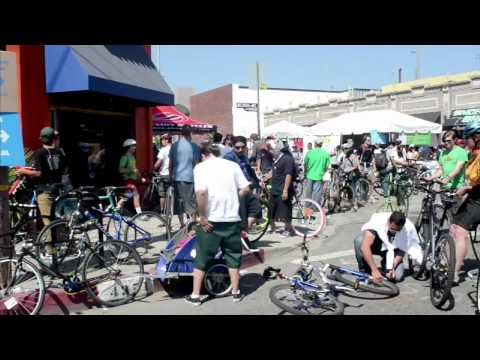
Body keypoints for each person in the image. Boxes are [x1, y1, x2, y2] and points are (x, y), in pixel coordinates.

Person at [185, 142, 251, 305]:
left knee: (202, 258)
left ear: (203, 155)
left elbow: (201, 193)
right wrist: (235, 197)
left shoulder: (201, 168)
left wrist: (202, 217)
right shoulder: (233, 165)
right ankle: (236, 292)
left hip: (211, 221)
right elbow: (246, 188)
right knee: (233, 256)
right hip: (232, 220)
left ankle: (195, 295)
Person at [16, 127, 69, 255]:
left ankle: (52, 251)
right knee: (58, 218)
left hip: (45, 191)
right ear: (54, 139)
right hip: (58, 189)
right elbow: (64, 170)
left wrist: (23, 171)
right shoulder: (61, 152)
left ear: (42, 139)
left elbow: (38, 173)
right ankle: (64, 242)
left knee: (47, 221)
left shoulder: (39, 153)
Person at [449, 121, 480, 284]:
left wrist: (466, 189)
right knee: (454, 227)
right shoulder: (473, 154)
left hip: (478, 199)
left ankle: (454, 272)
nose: (464, 141)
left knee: (460, 232)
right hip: (473, 197)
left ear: (476, 137)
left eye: (467, 137)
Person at [354, 211, 422, 283]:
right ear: (388, 221)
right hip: (376, 245)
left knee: (397, 277)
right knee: (359, 241)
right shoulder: (378, 220)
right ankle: (365, 271)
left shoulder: (408, 227)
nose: (395, 232)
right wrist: (374, 270)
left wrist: (392, 266)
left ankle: (385, 267)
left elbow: (402, 250)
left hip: (392, 250)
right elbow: (365, 247)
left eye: (398, 230)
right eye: (392, 229)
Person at [224, 136, 261, 234]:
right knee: (242, 213)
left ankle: (243, 232)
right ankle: (241, 234)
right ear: (232, 146)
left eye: (242, 147)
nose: (240, 150)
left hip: (246, 187)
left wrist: (258, 181)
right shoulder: (229, 157)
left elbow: (249, 170)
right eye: (237, 147)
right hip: (237, 189)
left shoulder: (244, 157)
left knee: (256, 207)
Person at [169, 126, 202, 228]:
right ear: (190, 134)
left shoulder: (174, 146)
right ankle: (194, 223)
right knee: (191, 201)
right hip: (189, 177)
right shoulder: (194, 147)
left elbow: (171, 163)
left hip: (176, 177)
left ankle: (182, 224)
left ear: (181, 133)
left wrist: (171, 175)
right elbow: (197, 163)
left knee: (179, 202)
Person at [263, 142, 296, 237]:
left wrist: (285, 190)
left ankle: (288, 229)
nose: (270, 152)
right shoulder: (277, 159)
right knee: (271, 209)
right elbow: (273, 171)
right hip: (275, 188)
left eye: (271, 150)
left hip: (283, 188)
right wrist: (264, 178)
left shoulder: (287, 159)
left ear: (278, 150)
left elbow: (288, 174)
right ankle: (272, 226)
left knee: (285, 210)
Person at [118, 139, 145, 214]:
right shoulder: (124, 157)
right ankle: (139, 214)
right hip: (128, 180)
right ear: (128, 147)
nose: (135, 147)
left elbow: (135, 170)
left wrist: (140, 177)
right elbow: (120, 170)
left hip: (133, 180)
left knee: (126, 196)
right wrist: (131, 170)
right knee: (136, 195)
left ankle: (117, 207)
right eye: (133, 146)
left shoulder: (132, 157)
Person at [304, 140, 331, 206]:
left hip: (309, 174)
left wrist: (305, 172)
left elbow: (305, 163)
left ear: (315, 144)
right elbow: (328, 167)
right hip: (319, 175)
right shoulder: (325, 153)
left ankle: (307, 206)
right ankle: (315, 207)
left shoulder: (310, 152)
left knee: (308, 192)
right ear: (321, 145)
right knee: (317, 192)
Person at [154, 134, 172, 211]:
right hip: (173, 175)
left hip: (164, 174)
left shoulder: (163, 150)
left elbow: (159, 162)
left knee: (162, 194)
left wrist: (152, 169)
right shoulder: (175, 149)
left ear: (166, 140)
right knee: (172, 193)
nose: (161, 142)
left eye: (162, 140)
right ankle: (172, 209)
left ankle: (162, 211)